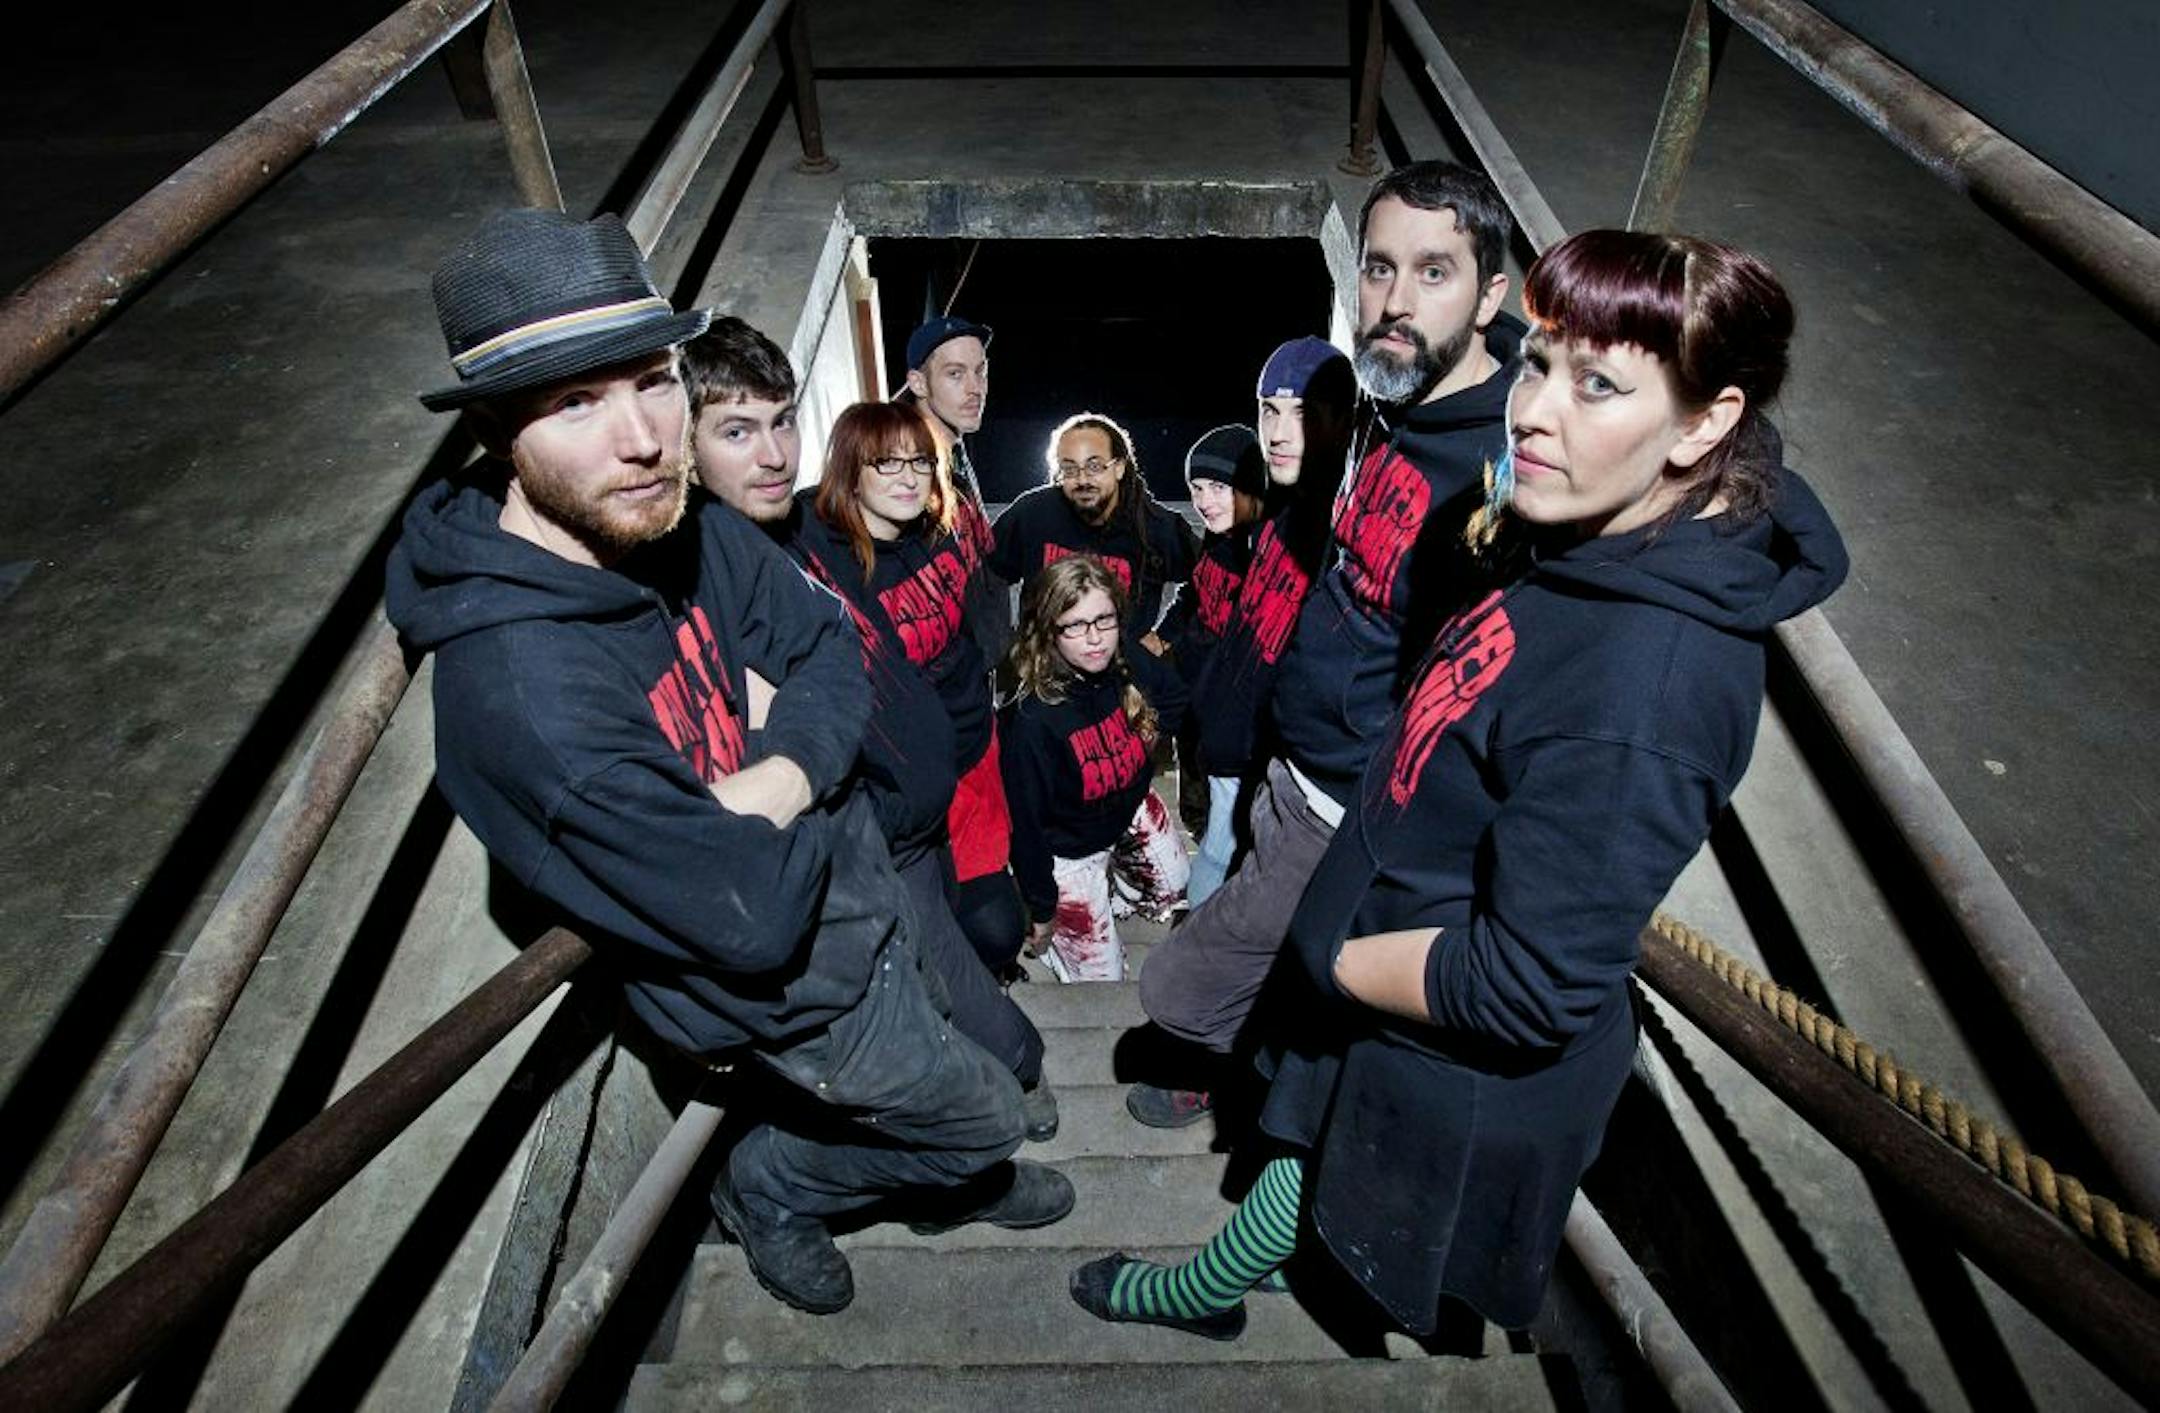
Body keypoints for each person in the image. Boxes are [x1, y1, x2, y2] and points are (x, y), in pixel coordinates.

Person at [1071, 226, 1849, 1341]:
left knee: (1319, 1166)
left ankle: (1206, 1295)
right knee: (1303, 1153)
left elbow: (1529, 982)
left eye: (1598, 386)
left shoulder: (1651, 691)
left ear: (1710, 421)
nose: (1533, 411)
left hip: (1422, 1006)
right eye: (1537, 364)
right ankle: (1253, 1278)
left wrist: (1334, 964)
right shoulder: (1608, 516)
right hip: (1392, 945)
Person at [385, 210, 1070, 1320]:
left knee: (976, 1071)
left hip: (856, 890)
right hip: (794, 992)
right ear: (494, 433)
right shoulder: (526, 699)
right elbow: (744, 917)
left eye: (651, 383)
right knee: (983, 1120)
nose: (646, 438)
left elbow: (827, 648)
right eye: (575, 404)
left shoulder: (672, 526)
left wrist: (776, 778)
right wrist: (811, 767)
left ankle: (932, 1159)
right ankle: (769, 1187)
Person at [1130, 161, 1522, 1128]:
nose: (1394, 301)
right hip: (1289, 758)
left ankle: (1252, 1085)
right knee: (1265, 945)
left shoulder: (1507, 465)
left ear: (1491, 297)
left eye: (1435, 273)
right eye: (1379, 269)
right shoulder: (1389, 397)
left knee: (1179, 987)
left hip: (1349, 799)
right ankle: (1248, 1071)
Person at [680, 321, 1057, 1142]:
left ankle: (998, 1080)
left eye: (782, 423)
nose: (773, 453)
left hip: (926, 791)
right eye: (738, 431)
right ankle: (1001, 1087)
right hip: (871, 827)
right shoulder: (717, 562)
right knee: (924, 993)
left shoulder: (796, 527)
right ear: (684, 444)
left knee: (955, 951)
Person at [1000, 556, 1191, 983]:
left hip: (1125, 804)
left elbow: (1178, 699)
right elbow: (1025, 830)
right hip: (1068, 852)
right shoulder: (1031, 721)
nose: (1095, 640)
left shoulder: (1122, 655)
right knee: (1102, 981)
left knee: (1176, 887)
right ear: (1049, 631)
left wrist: (1142, 741)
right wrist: (1043, 908)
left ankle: (1117, 889)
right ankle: (1059, 950)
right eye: (1075, 625)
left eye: (1104, 620)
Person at [1147, 424, 1269, 905]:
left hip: (1230, 714)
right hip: (1194, 701)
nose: (1204, 501)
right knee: (1198, 806)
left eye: (1219, 487)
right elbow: (1192, 597)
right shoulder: (1216, 542)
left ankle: (1209, 917)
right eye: (1197, 489)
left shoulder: (1260, 556)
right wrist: (1161, 637)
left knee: (1228, 832)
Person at [990, 411, 1198, 634]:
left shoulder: (1158, 528)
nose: (1082, 480)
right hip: (1042, 665)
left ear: (1119, 467)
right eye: (1069, 469)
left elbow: (1213, 581)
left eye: (1095, 466)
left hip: (1121, 666)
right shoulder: (1031, 514)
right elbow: (987, 577)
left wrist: (1166, 635)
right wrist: (999, 646)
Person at [901, 314, 1007, 664]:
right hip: (941, 682)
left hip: (976, 674)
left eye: (981, 372)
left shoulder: (954, 454)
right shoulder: (906, 471)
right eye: (955, 374)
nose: (975, 388)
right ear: (918, 383)